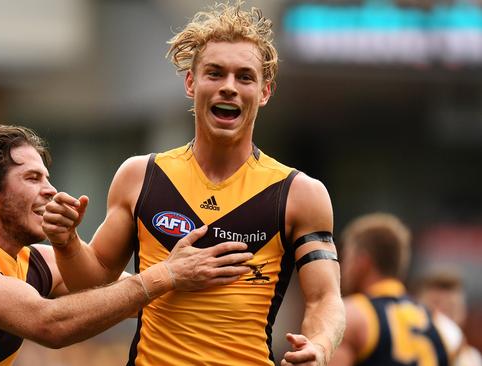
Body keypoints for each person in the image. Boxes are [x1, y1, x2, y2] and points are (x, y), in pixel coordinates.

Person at [42, 2, 344, 365]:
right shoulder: (141, 176)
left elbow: (324, 297)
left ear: (264, 92)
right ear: (191, 82)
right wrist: (66, 241)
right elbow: (91, 284)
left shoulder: (300, 193)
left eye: (244, 77)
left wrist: (322, 346)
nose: (229, 87)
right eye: (215, 73)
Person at [0, 125, 254, 366]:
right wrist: (167, 272)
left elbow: (132, 298)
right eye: (32, 177)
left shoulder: (36, 259)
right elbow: (50, 325)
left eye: (48, 177)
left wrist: (244, 295)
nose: (50, 190)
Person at [331, 213, 463, 366]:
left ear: (362, 261)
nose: (343, 267)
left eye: (347, 257)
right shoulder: (445, 329)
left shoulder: (351, 316)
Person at [416, 270, 482, 366]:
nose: (442, 317)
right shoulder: (400, 353)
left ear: (463, 314)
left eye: (451, 308)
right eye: (435, 305)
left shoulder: (472, 359)